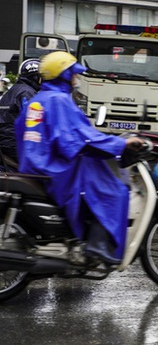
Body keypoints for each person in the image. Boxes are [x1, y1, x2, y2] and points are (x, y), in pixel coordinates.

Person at [15, 51, 144, 265]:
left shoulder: (39, 99)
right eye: (73, 74)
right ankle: (98, 245)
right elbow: (80, 140)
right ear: (64, 75)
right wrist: (121, 143)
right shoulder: (59, 101)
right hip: (54, 168)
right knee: (114, 189)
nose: (77, 79)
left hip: (35, 165)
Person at [0, 59, 41, 166]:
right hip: (14, 142)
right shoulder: (27, 93)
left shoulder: (14, 90)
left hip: (6, 141)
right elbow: (33, 121)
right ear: (35, 77)